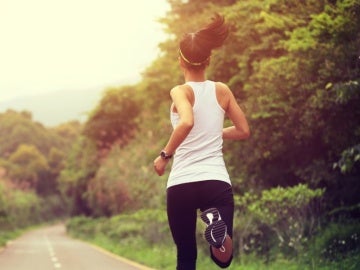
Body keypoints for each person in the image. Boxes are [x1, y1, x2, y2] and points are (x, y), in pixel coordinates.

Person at [153, 13, 250, 270]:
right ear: (209, 59)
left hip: (182, 183)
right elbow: (243, 130)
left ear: (180, 61)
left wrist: (164, 156)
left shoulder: (180, 91)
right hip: (215, 181)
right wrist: (213, 133)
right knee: (223, 260)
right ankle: (217, 231)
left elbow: (186, 122)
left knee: (186, 257)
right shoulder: (222, 90)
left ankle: (215, 230)